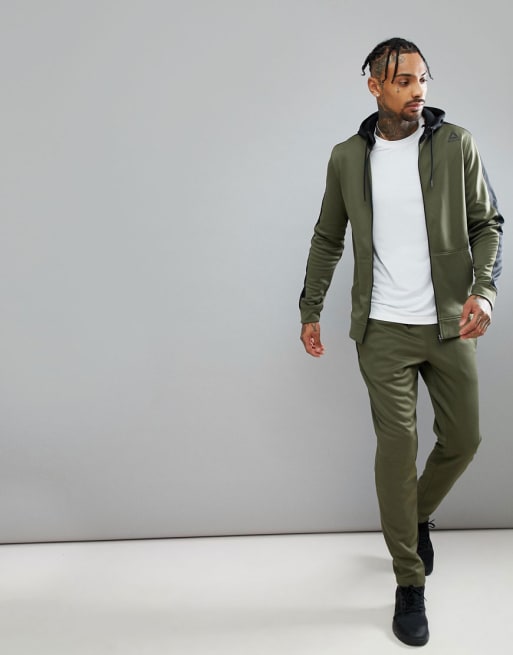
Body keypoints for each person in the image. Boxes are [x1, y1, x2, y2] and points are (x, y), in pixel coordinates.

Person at [299, 37, 503, 647]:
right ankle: (408, 581)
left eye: (423, 79)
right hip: (382, 329)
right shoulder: (347, 158)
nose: (419, 91)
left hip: (450, 322)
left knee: (463, 439)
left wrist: (484, 291)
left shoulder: (456, 144)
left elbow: (487, 224)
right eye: (404, 81)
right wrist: (311, 307)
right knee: (398, 447)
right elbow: (327, 237)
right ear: (375, 87)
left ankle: (413, 518)